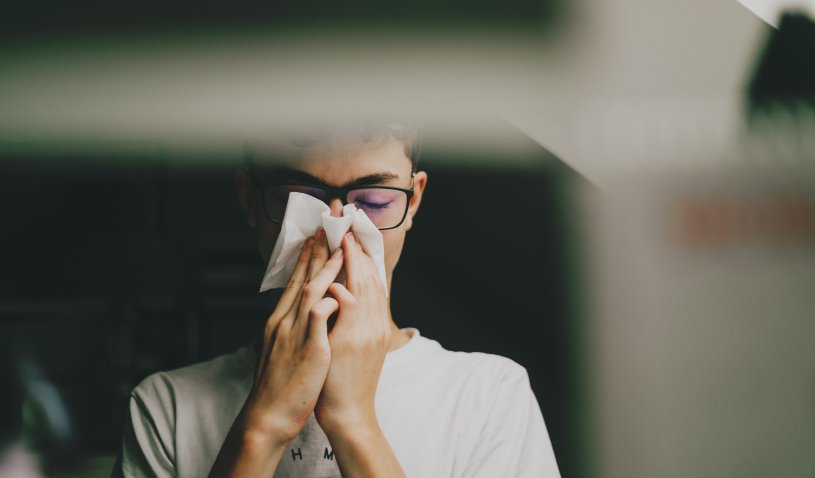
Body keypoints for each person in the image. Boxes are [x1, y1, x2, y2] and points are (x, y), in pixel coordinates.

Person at [112, 124, 561, 477]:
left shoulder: (488, 396)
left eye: (374, 201)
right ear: (250, 200)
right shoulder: (168, 407)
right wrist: (263, 427)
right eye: (298, 200)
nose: (335, 228)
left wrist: (353, 421)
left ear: (412, 202)